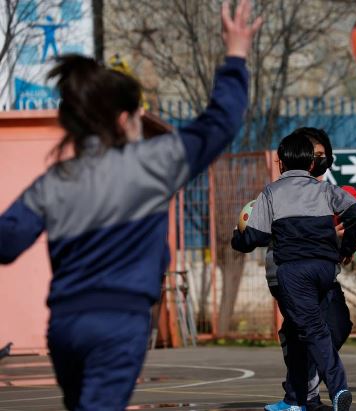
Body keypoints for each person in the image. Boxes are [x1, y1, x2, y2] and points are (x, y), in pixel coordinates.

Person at [0, 1, 261, 409]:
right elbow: (221, 121)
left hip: (65, 326)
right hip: (118, 322)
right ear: (124, 120)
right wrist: (235, 55)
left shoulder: (52, 182)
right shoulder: (153, 163)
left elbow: (7, 243)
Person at [232, 132, 356, 411]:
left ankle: (337, 388)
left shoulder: (272, 192)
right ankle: (296, 399)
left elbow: (253, 236)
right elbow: (355, 211)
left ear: (281, 163)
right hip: (326, 269)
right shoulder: (324, 189)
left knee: (314, 331)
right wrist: (346, 247)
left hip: (294, 272)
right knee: (304, 330)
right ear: (310, 163)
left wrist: (236, 237)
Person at [264, 128, 356, 411]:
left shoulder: (329, 192)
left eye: (321, 155)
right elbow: (261, 231)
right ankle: (303, 397)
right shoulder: (280, 191)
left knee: (337, 326)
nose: (316, 159)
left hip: (323, 272)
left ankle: (302, 392)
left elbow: (354, 216)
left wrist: (344, 245)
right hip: (288, 273)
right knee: (303, 333)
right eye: (312, 154)